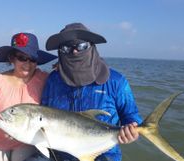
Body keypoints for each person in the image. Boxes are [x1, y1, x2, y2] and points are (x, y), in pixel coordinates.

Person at [41, 23, 143, 161]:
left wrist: (132, 131)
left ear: (92, 47)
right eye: (66, 48)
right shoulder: (53, 81)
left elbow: (131, 116)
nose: (75, 52)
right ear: (60, 52)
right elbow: (43, 116)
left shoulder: (116, 81)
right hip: (59, 156)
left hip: (105, 155)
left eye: (81, 46)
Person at [0, 32, 57, 161]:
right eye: (22, 58)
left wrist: (62, 68)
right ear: (12, 58)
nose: (27, 64)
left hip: (29, 140)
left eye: (33, 59)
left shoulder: (45, 79)